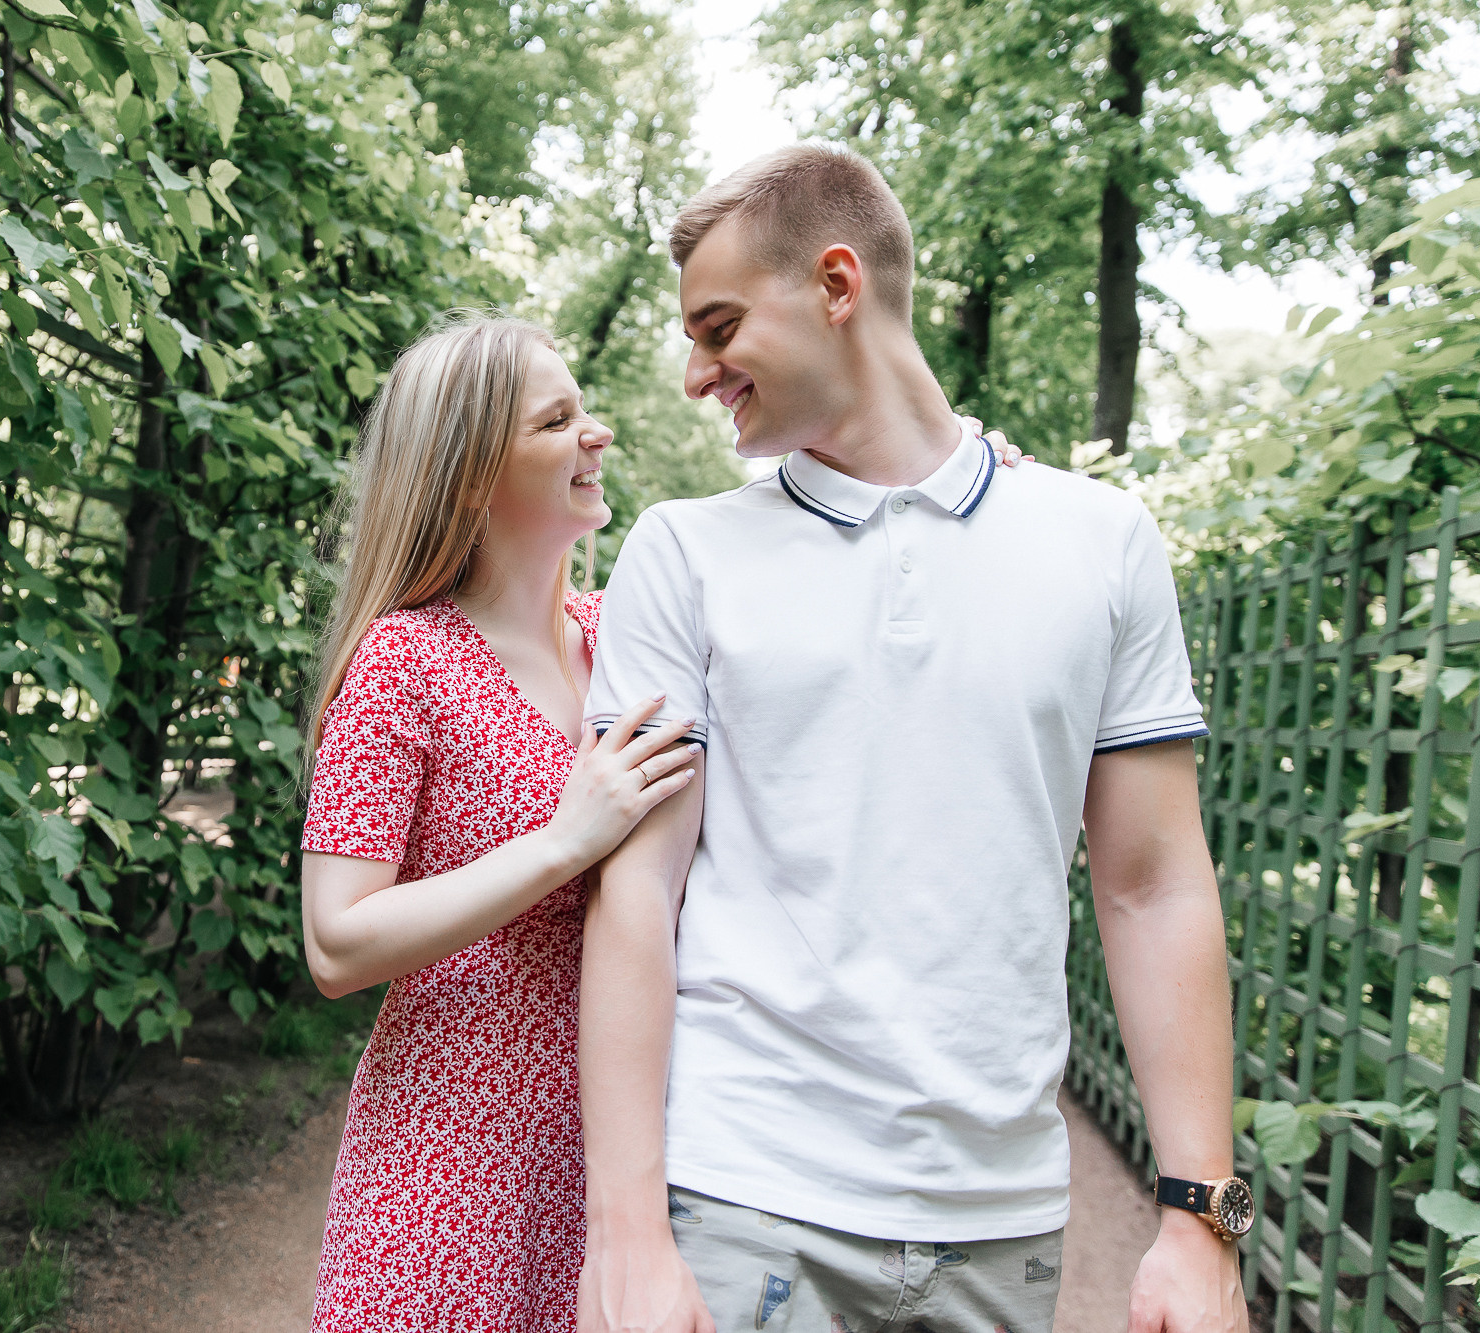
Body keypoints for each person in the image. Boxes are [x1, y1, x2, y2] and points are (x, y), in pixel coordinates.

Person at [576, 145, 1246, 1333]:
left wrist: (1198, 1222)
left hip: (1002, 1224)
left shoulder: (1100, 541)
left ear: (836, 285)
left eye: (719, 327)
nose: (694, 374)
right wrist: (625, 1234)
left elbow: (1151, 887)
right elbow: (635, 897)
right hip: (743, 1201)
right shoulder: (682, 554)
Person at [298, 311, 1025, 1330]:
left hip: (634, 1154)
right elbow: (335, 942)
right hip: (449, 1164)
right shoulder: (402, 661)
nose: (595, 432)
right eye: (556, 421)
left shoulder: (623, 633)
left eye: (584, 410)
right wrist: (564, 841)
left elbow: (813, 593)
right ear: (469, 476)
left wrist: (937, 474)